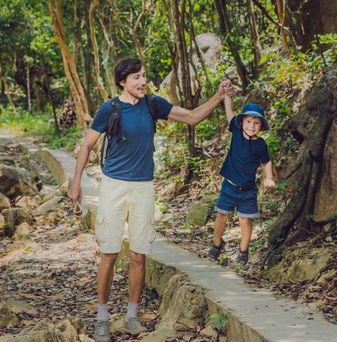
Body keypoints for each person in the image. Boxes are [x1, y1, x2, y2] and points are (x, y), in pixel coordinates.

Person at [68, 57, 234, 342]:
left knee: (138, 254)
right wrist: (76, 182)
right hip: (114, 186)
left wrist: (219, 96)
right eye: (136, 78)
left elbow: (192, 117)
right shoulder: (110, 109)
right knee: (109, 253)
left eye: (144, 76)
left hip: (144, 187)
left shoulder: (153, 104)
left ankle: (131, 316)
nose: (143, 82)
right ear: (123, 82)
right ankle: (102, 317)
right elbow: (87, 145)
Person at [208, 94, 275, 266]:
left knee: (245, 220)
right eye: (248, 121)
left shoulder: (260, 144)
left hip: (248, 190)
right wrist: (227, 96)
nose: (252, 126)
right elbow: (229, 112)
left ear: (261, 125)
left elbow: (266, 161)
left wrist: (269, 178)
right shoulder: (236, 132)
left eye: (256, 122)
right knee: (222, 216)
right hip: (229, 187)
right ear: (242, 122)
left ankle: (243, 251)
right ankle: (217, 244)